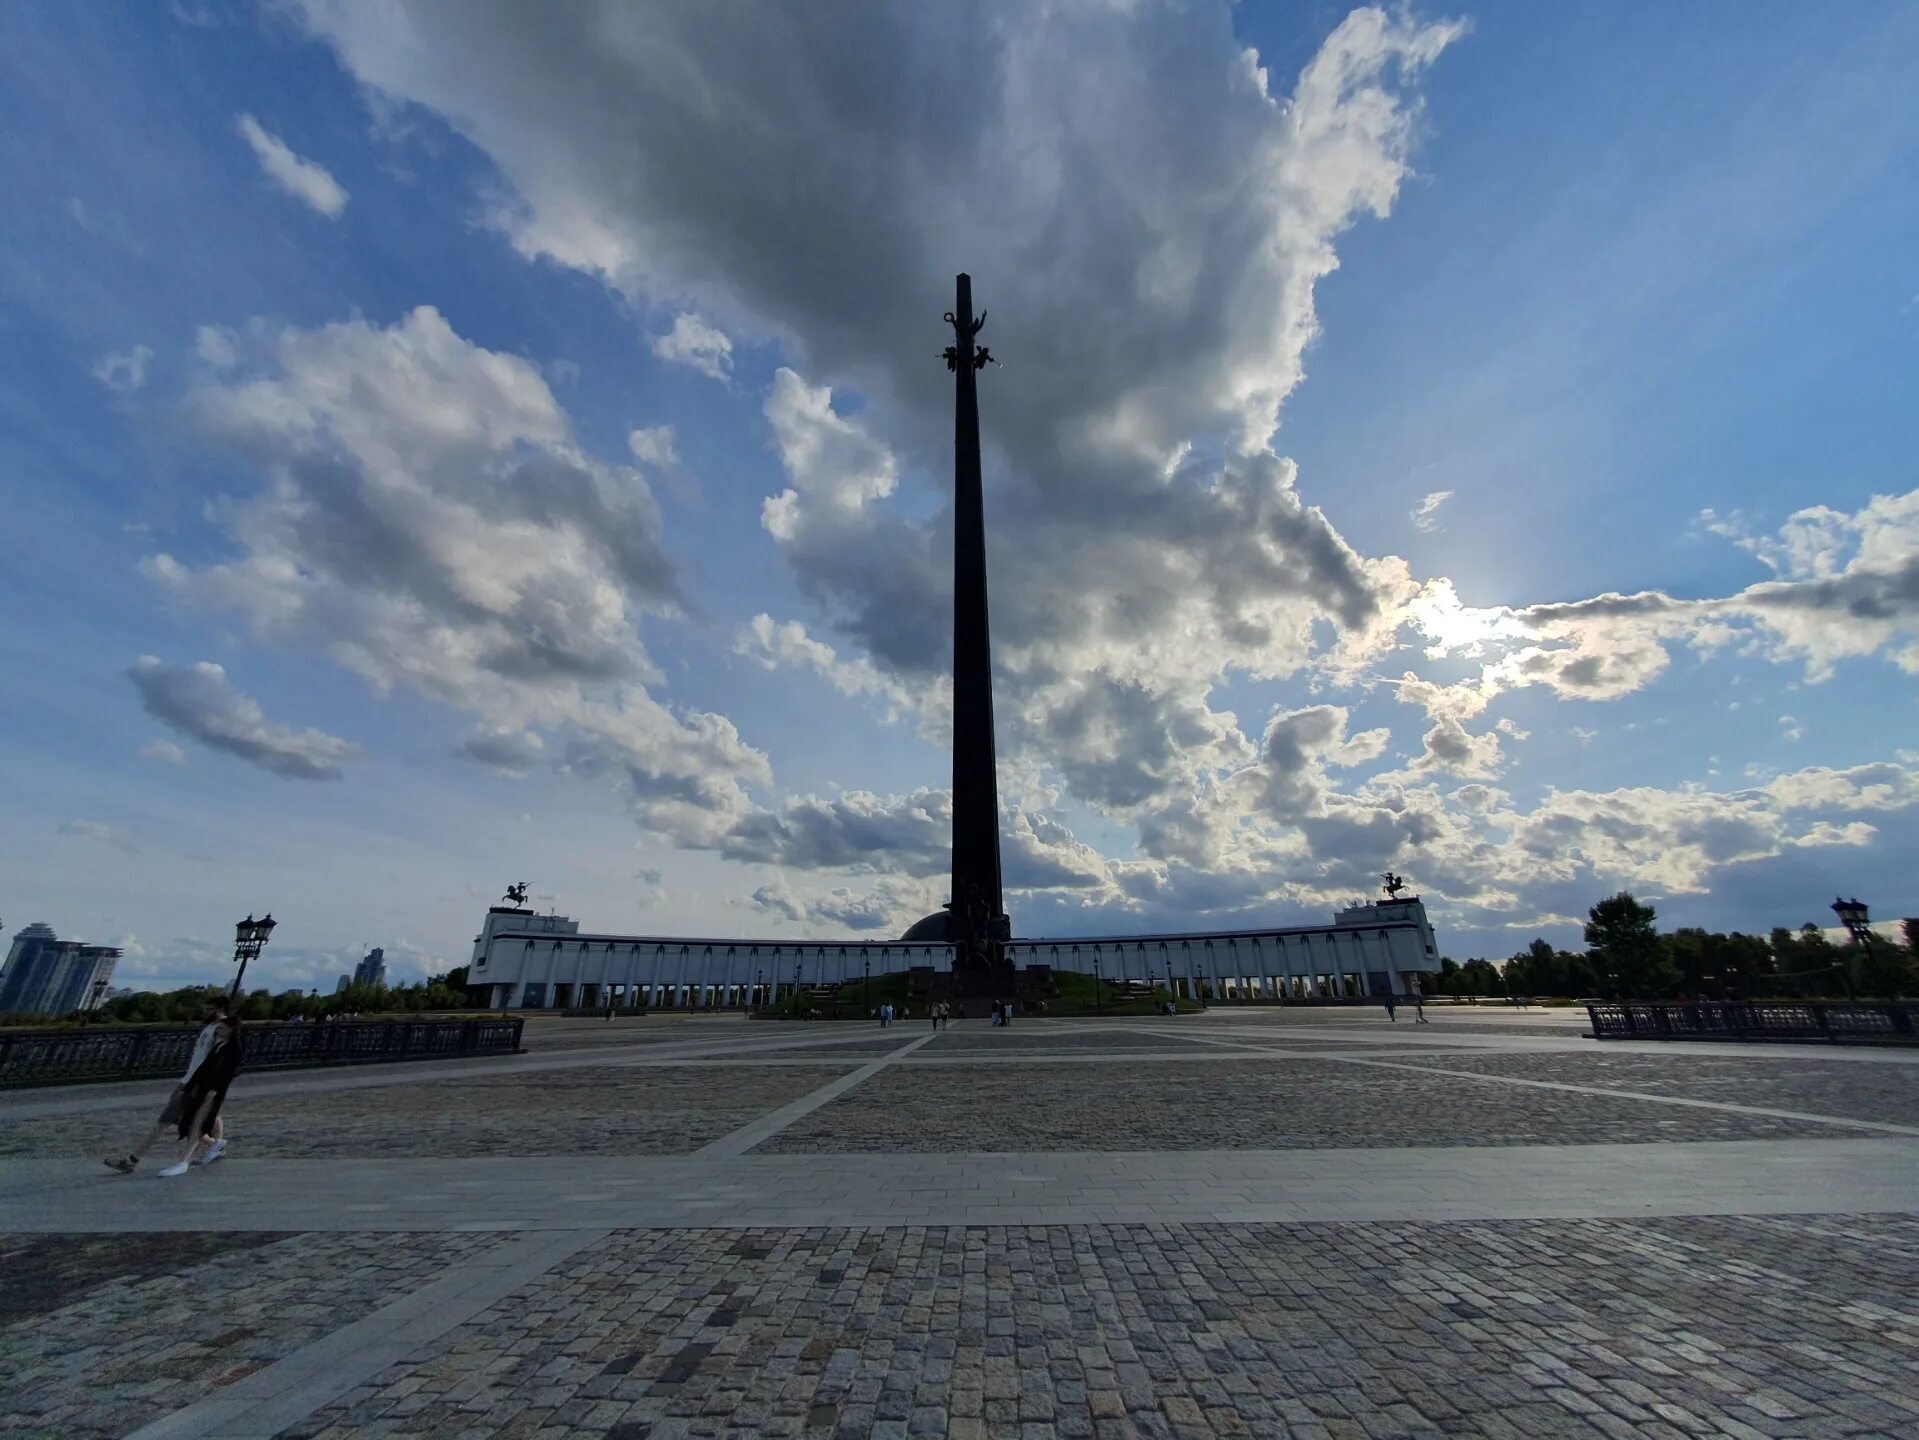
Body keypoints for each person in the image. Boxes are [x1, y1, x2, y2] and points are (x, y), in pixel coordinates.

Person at [105, 1010, 244, 1177]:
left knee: (192, 1123)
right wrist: (185, 1086)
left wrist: (212, 1090)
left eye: (222, 1028)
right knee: (182, 1122)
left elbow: (227, 1071)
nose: (218, 1030)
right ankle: (214, 1145)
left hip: (205, 1091)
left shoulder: (228, 1045)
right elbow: (201, 1068)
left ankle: (184, 1158)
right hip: (193, 1086)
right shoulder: (215, 1040)